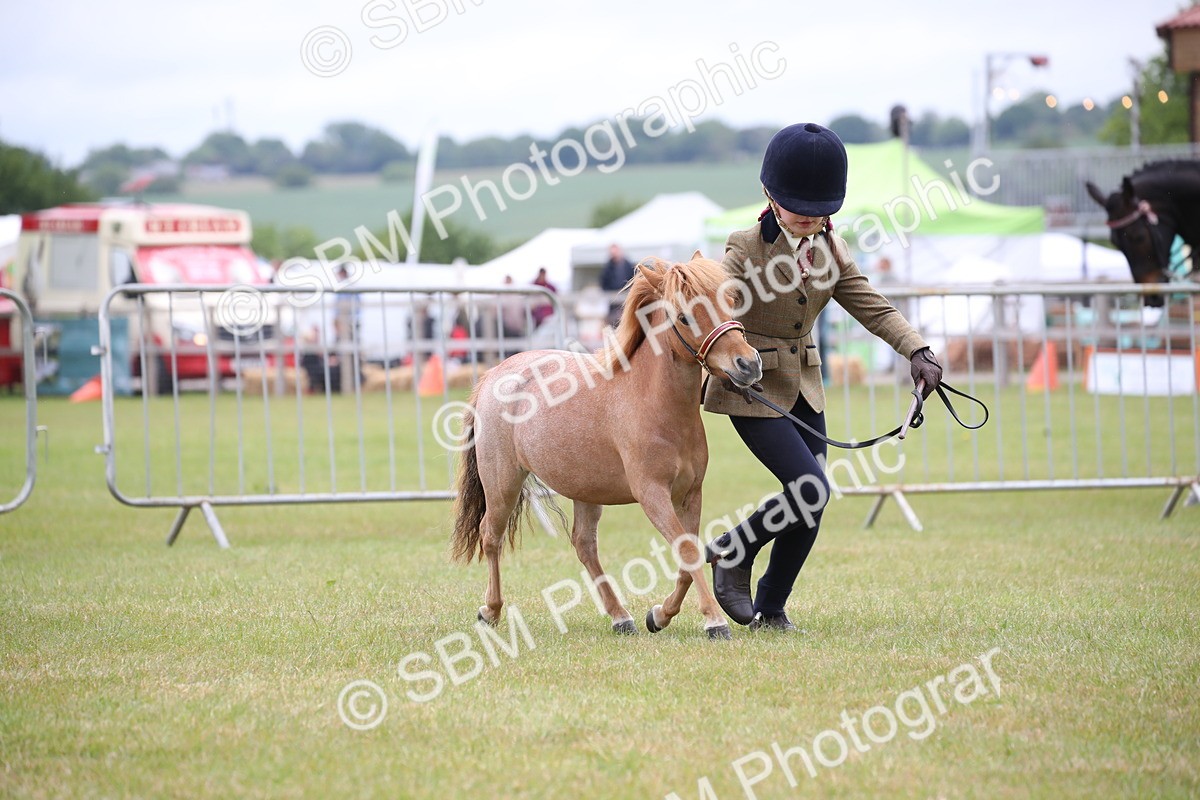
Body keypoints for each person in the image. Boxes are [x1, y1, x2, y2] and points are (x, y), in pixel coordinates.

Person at [702, 122, 943, 631]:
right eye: (799, 209)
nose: (811, 220)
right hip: (751, 387)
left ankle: (771, 608)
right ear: (769, 194)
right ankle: (734, 550)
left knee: (811, 503)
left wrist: (917, 350)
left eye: (821, 211)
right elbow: (716, 307)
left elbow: (871, 306)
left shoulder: (834, 250)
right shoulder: (745, 246)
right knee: (811, 485)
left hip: (805, 385)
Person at [600, 243, 636, 327]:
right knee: (613, 324)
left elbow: (633, 279)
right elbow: (603, 283)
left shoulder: (628, 265)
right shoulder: (607, 267)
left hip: (626, 299)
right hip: (612, 302)